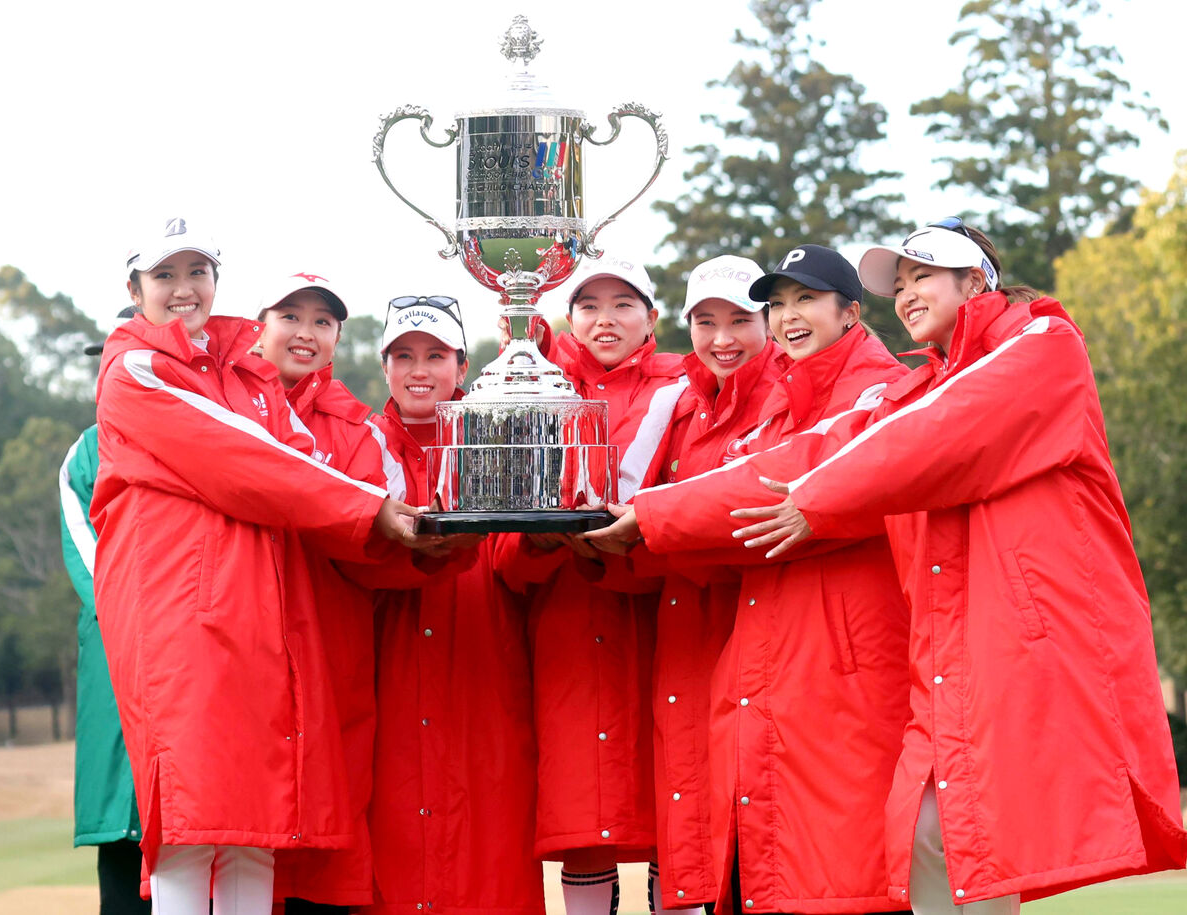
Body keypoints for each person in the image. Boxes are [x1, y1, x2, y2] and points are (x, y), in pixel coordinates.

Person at [607, 221, 1187, 913]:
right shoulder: (914, 388)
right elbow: (807, 456)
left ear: (977, 281)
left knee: (959, 840)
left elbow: (930, 435)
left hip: (1034, 643)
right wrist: (650, 512)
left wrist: (817, 500)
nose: (908, 292)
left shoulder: (1044, 342)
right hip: (950, 648)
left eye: (924, 275)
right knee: (939, 840)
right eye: (901, 282)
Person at [90, 217, 422, 915]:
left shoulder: (246, 375)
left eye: (196, 273)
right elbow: (253, 461)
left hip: (254, 613)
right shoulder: (136, 370)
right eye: (165, 276)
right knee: (191, 819)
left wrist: (416, 524)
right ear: (134, 288)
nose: (184, 290)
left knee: (253, 823)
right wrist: (372, 510)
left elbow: (308, 463)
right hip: (179, 613)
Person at [586, 246, 913, 914]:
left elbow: (783, 478)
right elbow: (739, 529)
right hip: (779, 659)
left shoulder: (878, 387)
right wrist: (613, 546)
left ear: (850, 311)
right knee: (778, 867)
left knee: (841, 874)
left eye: (806, 300)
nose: (790, 317)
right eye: (782, 303)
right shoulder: (784, 398)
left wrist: (647, 516)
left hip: (840, 665)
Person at [494, 254, 687, 915]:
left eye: (623, 305)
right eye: (589, 306)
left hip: (668, 619)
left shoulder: (687, 388)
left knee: (678, 801)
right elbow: (502, 547)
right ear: (567, 318)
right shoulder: (531, 388)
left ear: (652, 318)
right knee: (584, 814)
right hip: (568, 624)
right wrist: (539, 543)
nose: (605, 320)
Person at [363, 295, 545, 915]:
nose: (420, 369)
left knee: (492, 865)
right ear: (384, 367)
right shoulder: (358, 443)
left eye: (435, 355)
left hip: (484, 676)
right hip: (388, 679)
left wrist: (547, 541)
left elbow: (515, 564)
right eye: (404, 355)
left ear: (462, 366)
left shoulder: (498, 436)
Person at [251, 271, 401, 914]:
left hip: (326, 656)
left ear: (339, 338)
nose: (306, 333)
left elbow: (377, 546)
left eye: (322, 321)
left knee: (321, 857)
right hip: (241, 646)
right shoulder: (219, 404)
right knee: (235, 846)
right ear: (258, 324)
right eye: (290, 316)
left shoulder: (358, 430)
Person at [60, 307, 149, 915]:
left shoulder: (215, 431)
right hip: (119, 676)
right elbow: (92, 568)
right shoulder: (83, 456)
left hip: (201, 672)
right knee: (123, 863)